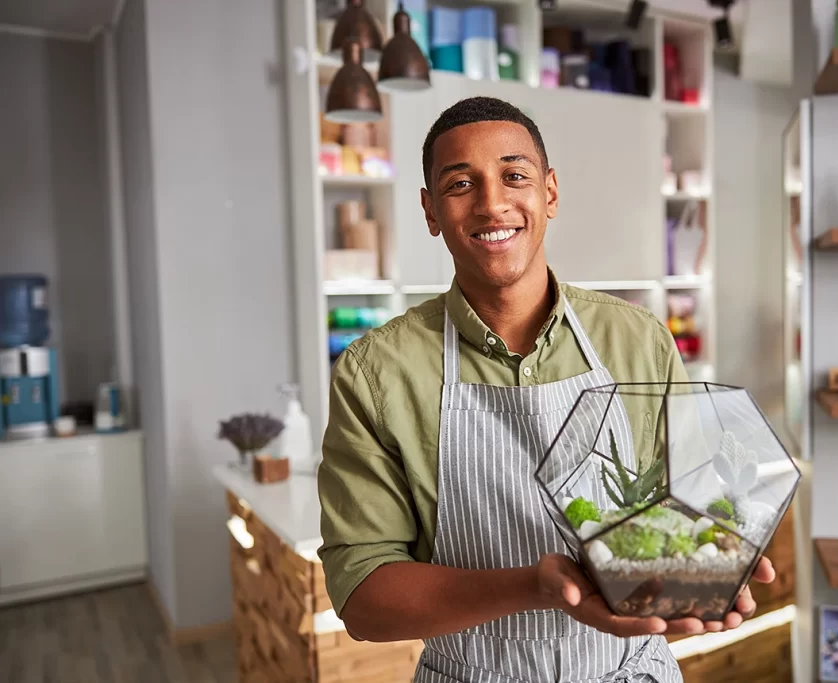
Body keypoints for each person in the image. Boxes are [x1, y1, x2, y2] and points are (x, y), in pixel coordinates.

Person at [317, 96, 775, 682]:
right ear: (431, 211)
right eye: (461, 185)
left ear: (550, 193)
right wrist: (536, 585)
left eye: (515, 176)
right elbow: (362, 597)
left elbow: (695, 504)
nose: (492, 203)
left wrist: (711, 565)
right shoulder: (377, 372)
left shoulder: (637, 339)